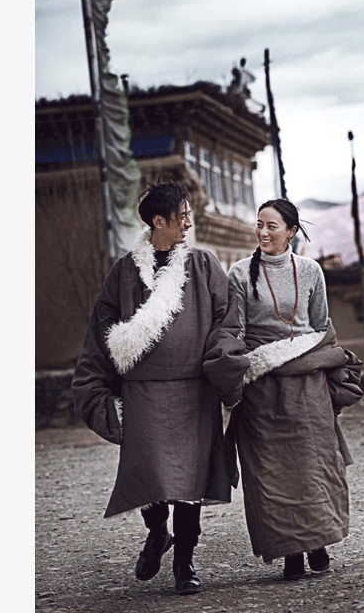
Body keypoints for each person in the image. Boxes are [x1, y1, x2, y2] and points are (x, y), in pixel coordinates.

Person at [72, 181, 248, 595]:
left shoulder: (204, 265)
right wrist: (99, 385)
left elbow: (228, 318)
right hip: (144, 393)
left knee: (189, 485)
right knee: (149, 476)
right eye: (182, 215)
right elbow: (103, 329)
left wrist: (223, 358)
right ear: (159, 221)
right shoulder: (124, 272)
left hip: (193, 393)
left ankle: (184, 563)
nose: (189, 222)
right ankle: (156, 532)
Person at [226, 198, 364, 580]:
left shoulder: (310, 271)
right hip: (262, 388)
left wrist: (308, 357)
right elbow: (234, 331)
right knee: (271, 474)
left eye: (273, 226)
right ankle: (289, 553)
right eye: (259, 225)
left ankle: (317, 542)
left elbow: (321, 326)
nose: (264, 232)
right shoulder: (239, 274)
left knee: (314, 466)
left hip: (307, 386)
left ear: (291, 231)